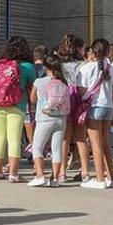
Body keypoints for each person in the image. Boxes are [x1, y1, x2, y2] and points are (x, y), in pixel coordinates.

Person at [0, 36, 37, 183]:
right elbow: (34, 85)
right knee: (14, 139)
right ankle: (13, 174)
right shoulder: (27, 66)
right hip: (17, 105)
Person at [73, 38, 113, 189]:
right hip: (108, 107)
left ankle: (99, 179)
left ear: (92, 51)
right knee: (106, 143)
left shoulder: (85, 69)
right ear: (108, 52)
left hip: (93, 106)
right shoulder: (111, 68)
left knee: (95, 144)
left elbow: (81, 91)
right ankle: (112, 178)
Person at [29, 55, 71, 187]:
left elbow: (32, 99)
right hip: (61, 118)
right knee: (56, 149)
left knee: (37, 147)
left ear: (45, 67)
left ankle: (40, 176)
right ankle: (55, 179)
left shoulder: (39, 82)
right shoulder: (63, 82)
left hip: (44, 118)